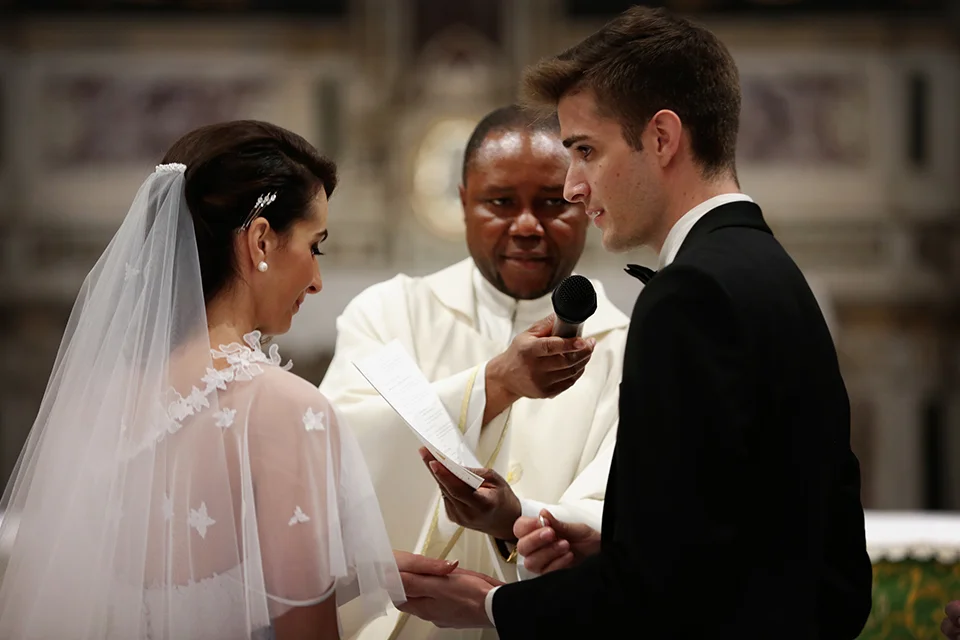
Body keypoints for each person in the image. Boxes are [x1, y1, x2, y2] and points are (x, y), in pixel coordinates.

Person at [396, 7, 874, 639]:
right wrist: (611, 542)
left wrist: (489, 607)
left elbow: (657, 590)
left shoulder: (689, 296)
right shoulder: (770, 268)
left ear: (662, 138)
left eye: (585, 151)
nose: (573, 187)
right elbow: (771, 543)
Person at [0, 120, 449, 639]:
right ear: (261, 240)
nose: (317, 281)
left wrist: (349, 576)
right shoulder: (287, 411)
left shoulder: (96, 402)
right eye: (315, 247)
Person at [319, 105, 629, 639]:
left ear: (583, 202)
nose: (527, 226)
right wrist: (494, 384)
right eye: (501, 202)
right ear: (464, 201)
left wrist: (518, 520)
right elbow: (334, 449)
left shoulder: (623, 344)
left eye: (552, 202)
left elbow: (622, 509)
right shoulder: (389, 313)